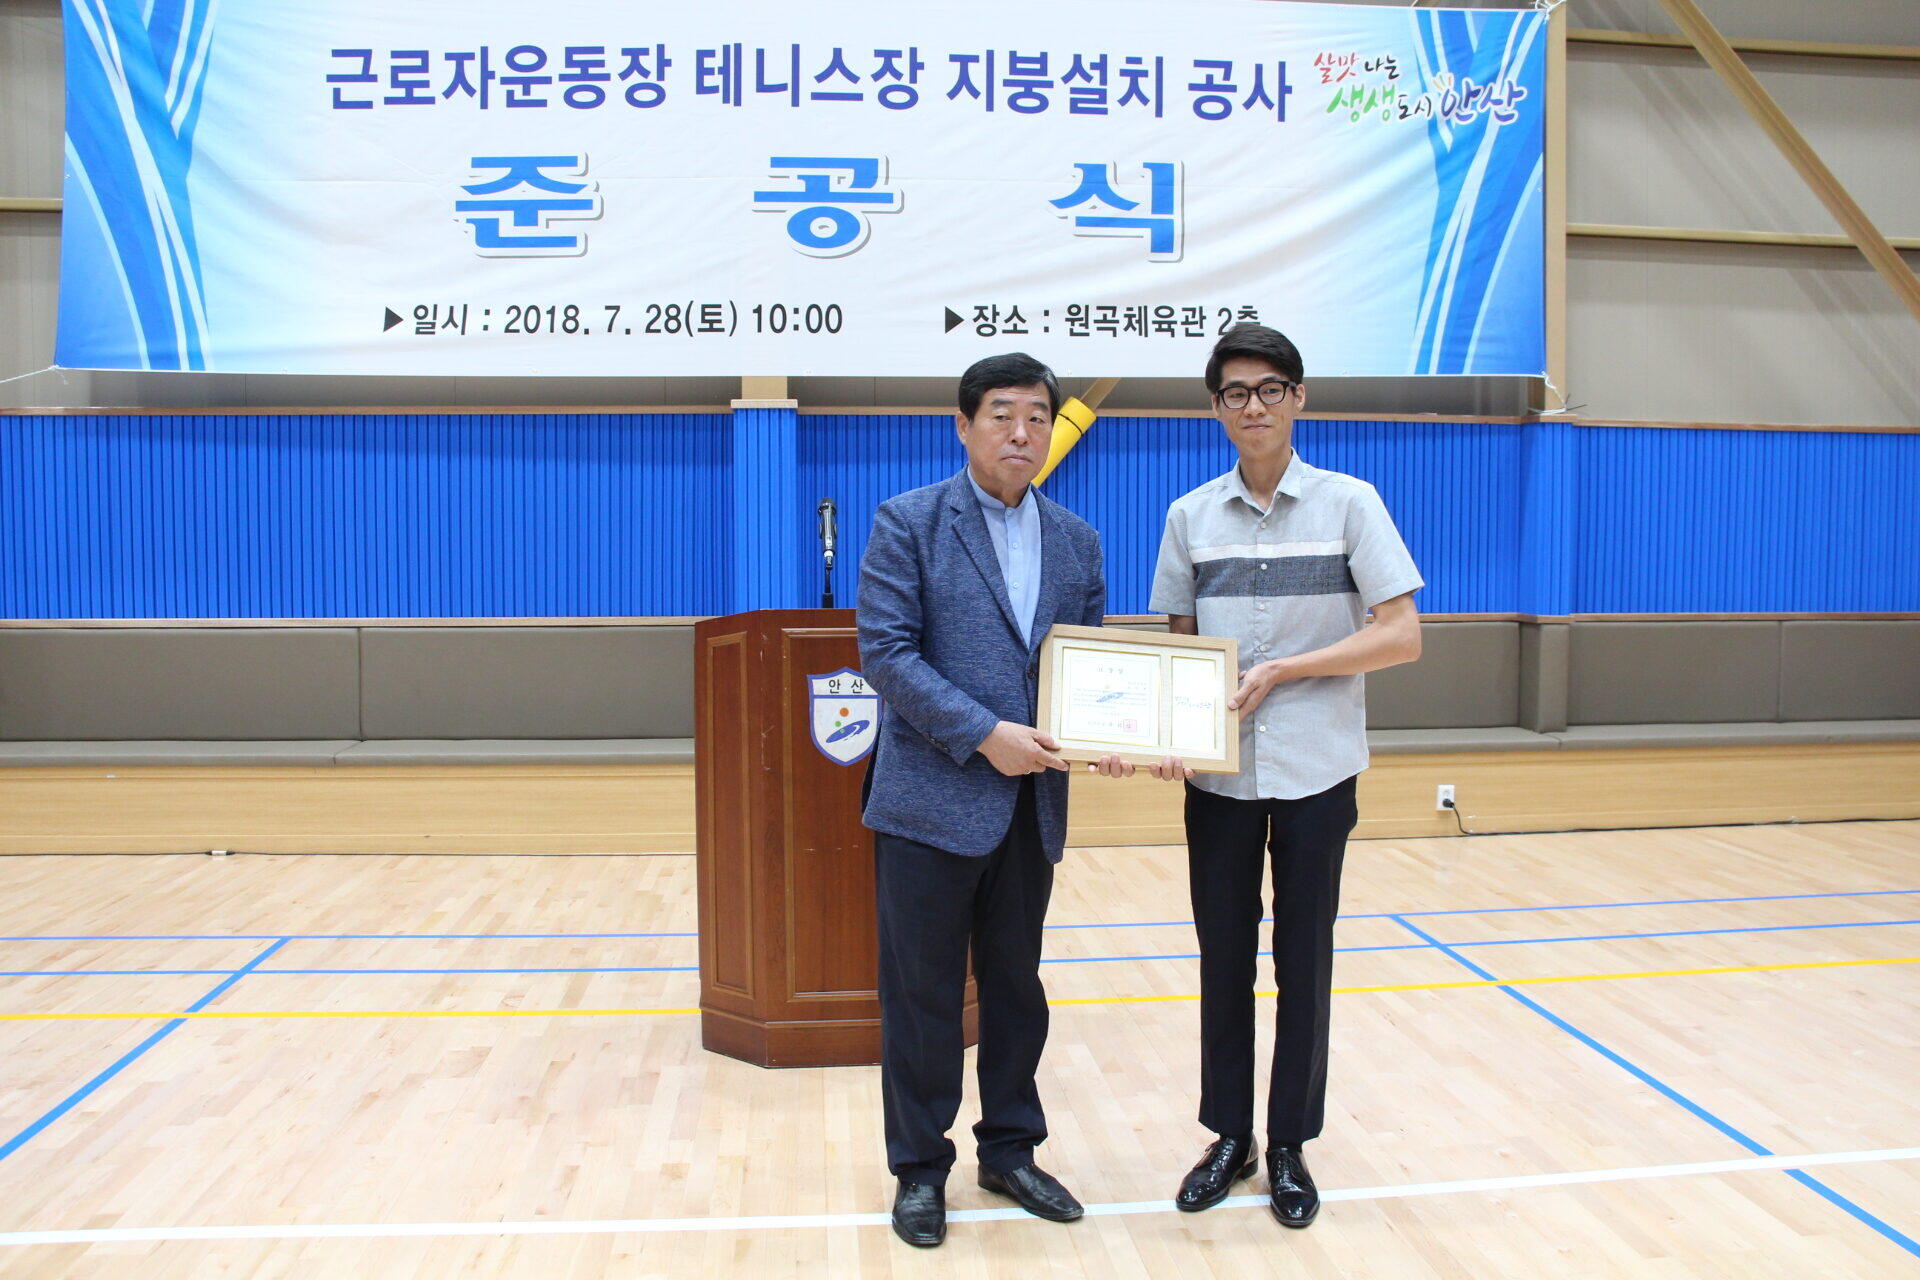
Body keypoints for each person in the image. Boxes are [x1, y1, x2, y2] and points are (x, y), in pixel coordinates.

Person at [1148, 323, 1423, 1228]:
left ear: (1299, 398)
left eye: (1271, 389)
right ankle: (1229, 1136)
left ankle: (1289, 1145)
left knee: (1304, 962)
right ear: (1217, 408)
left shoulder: (1350, 504)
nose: (1254, 406)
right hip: (1219, 782)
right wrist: (1167, 730)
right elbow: (1179, 652)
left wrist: (1288, 669)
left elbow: (1401, 634)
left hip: (1318, 771)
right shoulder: (1189, 517)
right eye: (1236, 393)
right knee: (1222, 959)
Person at [857, 352, 1117, 1248]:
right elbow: (886, 654)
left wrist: (1108, 735)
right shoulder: (909, 522)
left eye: (1038, 416)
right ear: (963, 426)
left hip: (1030, 806)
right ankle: (919, 1170)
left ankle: (1010, 1151)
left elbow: (1087, 668)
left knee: (1016, 990)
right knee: (922, 997)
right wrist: (983, 734)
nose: (1021, 432)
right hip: (929, 803)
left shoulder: (1078, 540)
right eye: (1002, 414)